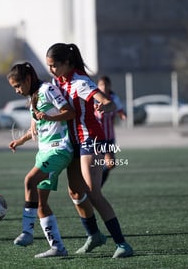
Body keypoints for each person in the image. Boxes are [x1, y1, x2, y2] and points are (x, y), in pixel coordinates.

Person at [7, 62, 105, 258]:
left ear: (27, 79)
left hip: (59, 150)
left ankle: (27, 232)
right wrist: (20, 140)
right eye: (14, 88)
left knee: (30, 181)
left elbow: (70, 112)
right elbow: (39, 127)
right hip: (44, 152)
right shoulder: (33, 97)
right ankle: (58, 247)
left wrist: (50, 118)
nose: (17, 91)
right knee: (43, 201)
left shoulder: (47, 89)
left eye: (18, 86)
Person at [46, 43, 133, 258]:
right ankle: (94, 235)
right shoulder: (57, 81)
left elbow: (108, 103)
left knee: (93, 193)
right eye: (49, 66)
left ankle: (122, 244)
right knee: (75, 191)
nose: (51, 70)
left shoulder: (80, 82)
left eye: (54, 65)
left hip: (90, 140)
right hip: (72, 143)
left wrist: (104, 106)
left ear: (67, 63)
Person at [95, 76, 127, 186]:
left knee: (110, 164)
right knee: (99, 164)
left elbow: (120, 111)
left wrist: (123, 115)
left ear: (109, 86)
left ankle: (97, 186)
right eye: (101, 85)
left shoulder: (113, 98)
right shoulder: (94, 98)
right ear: (97, 86)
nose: (103, 87)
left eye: (105, 85)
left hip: (109, 137)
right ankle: (95, 187)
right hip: (97, 137)